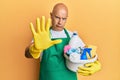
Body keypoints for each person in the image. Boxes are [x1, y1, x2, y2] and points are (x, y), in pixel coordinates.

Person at [25, 3, 101, 80]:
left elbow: (88, 54)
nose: (60, 22)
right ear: (51, 15)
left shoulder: (73, 37)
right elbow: (27, 54)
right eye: (57, 17)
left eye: (64, 19)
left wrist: (96, 63)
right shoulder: (42, 36)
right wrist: (34, 49)